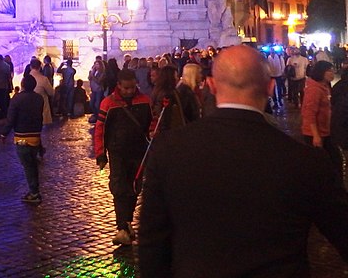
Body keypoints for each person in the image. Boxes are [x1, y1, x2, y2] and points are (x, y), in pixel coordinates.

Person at [139, 45, 348, 277]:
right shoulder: (307, 161)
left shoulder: (169, 151)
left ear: (211, 85)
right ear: (270, 88)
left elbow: (151, 245)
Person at [94, 69, 153, 246]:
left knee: (134, 187)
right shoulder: (108, 103)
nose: (129, 91)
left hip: (138, 151)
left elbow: (151, 123)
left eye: (132, 87)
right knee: (119, 188)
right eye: (126, 88)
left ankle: (126, 224)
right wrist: (100, 153)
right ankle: (122, 227)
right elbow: (100, 130)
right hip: (118, 152)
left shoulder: (144, 101)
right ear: (118, 85)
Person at [0, 74, 45, 204]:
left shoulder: (17, 99)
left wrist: (4, 133)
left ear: (23, 85)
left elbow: (11, 119)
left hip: (22, 136)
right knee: (33, 164)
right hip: (35, 136)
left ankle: (34, 192)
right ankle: (34, 190)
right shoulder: (39, 98)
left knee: (28, 165)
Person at [302, 60, 343, 181]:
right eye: (329, 71)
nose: (332, 73)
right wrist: (316, 135)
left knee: (334, 160)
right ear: (321, 72)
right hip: (315, 133)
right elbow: (309, 113)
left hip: (325, 131)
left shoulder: (324, 87)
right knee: (323, 162)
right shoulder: (314, 89)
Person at [88, 58, 106, 123]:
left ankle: (99, 117)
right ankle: (96, 115)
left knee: (97, 104)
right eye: (95, 64)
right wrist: (90, 74)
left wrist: (93, 76)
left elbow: (99, 81)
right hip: (93, 90)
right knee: (91, 104)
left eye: (98, 64)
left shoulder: (102, 73)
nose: (96, 66)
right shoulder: (94, 72)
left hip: (99, 90)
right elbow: (90, 78)